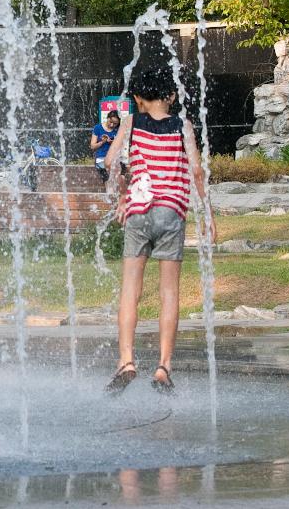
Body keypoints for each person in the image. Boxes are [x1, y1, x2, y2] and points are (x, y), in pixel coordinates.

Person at [101, 67, 206, 395]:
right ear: (171, 97)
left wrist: (122, 197)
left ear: (137, 99)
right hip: (171, 212)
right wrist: (209, 215)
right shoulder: (182, 126)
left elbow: (110, 162)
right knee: (169, 293)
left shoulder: (130, 124)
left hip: (138, 213)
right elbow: (198, 171)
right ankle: (163, 366)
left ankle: (127, 361)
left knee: (131, 288)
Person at [90, 110, 121, 182]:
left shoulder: (118, 130)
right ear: (108, 118)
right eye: (111, 122)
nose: (112, 125)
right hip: (101, 159)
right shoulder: (98, 128)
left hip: (114, 159)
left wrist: (112, 142)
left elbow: (121, 146)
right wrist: (102, 142)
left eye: (115, 124)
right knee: (107, 177)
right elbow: (92, 146)